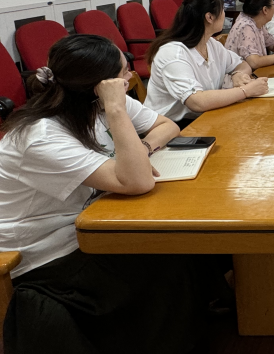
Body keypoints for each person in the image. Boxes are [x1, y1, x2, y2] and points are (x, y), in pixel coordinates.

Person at [0, 34, 220, 353]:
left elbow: (167, 125)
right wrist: (116, 110)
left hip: (88, 223)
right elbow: (137, 182)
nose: (130, 74)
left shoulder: (93, 103)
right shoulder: (41, 136)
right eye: (122, 71)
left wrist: (143, 147)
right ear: (101, 86)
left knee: (179, 242)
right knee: (163, 260)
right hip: (42, 252)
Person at [145, 0, 271, 126]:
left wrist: (237, 74)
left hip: (204, 116)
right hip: (170, 126)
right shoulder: (173, 53)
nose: (224, 14)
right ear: (209, 17)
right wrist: (245, 91)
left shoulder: (211, 44)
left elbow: (243, 64)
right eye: (222, 10)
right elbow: (197, 101)